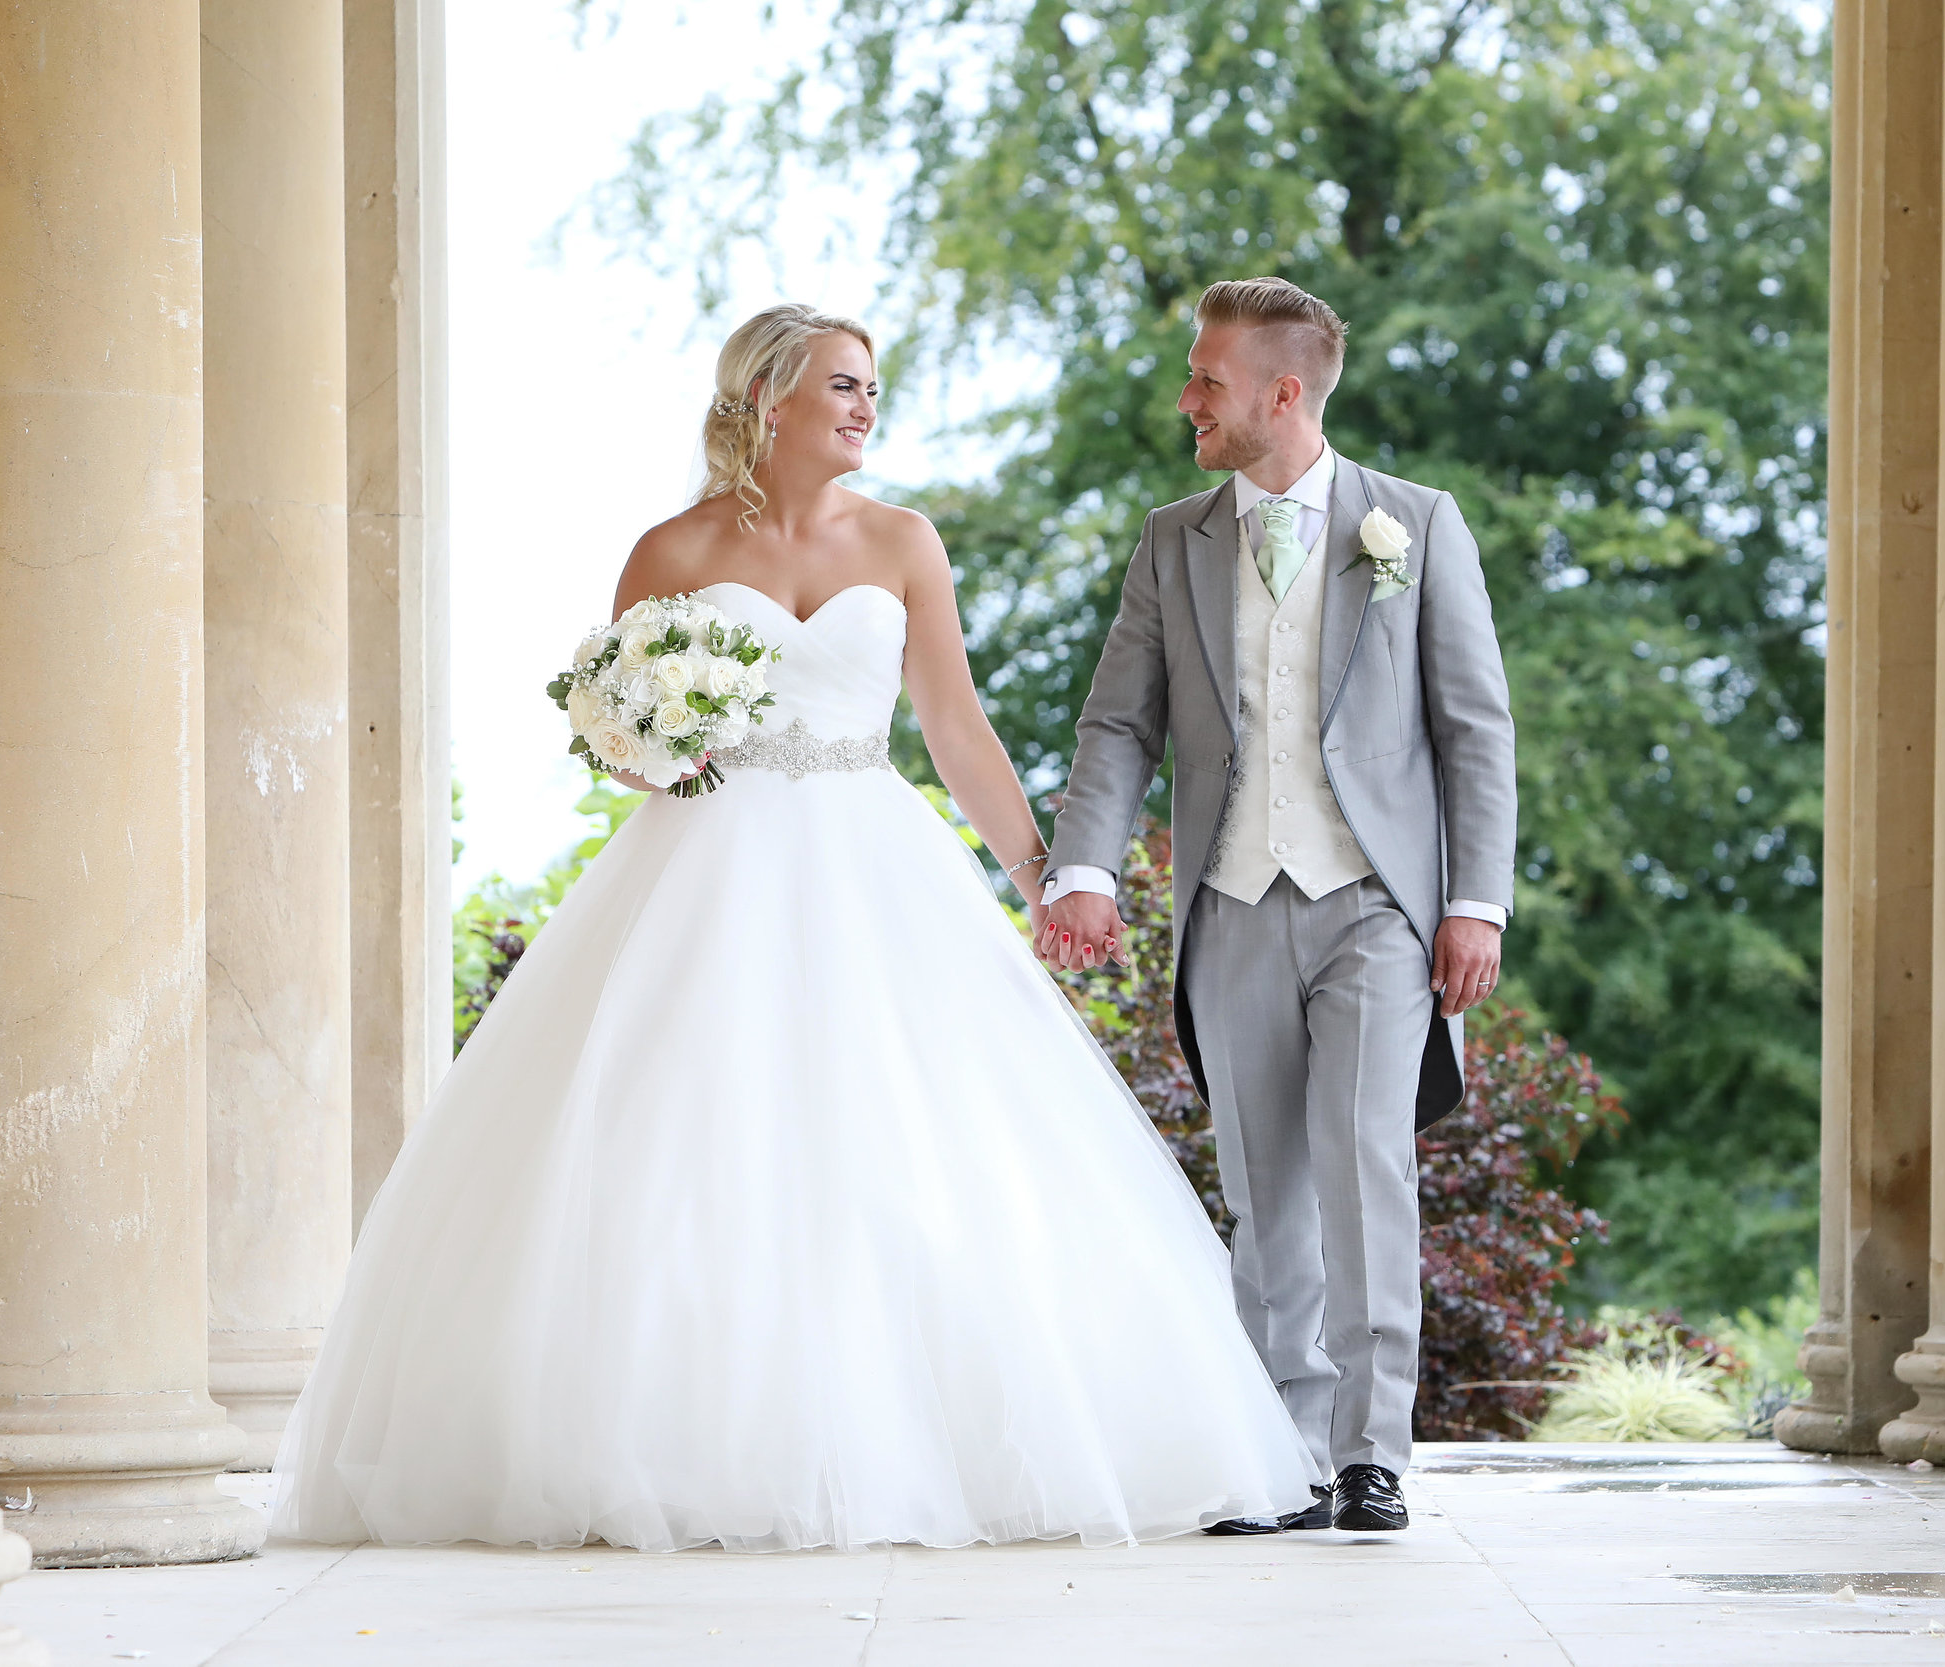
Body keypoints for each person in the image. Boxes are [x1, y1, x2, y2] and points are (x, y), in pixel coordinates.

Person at [270, 303, 1317, 1553]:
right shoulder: (669, 548)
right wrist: (655, 742)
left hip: (875, 854)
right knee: (688, 1144)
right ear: (766, 400)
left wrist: (1041, 867)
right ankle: (669, 1440)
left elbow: (954, 728)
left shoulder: (904, 540)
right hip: (707, 868)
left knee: (909, 1139)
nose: (866, 406)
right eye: (841, 385)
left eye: (871, 387)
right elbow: (619, 741)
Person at [1040, 277, 1517, 1535]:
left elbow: (1474, 727)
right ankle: (1284, 1449)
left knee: (1364, 1165)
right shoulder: (1171, 538)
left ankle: (1371, 1453)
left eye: (1205, 378)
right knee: (1262, 1188)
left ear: (1281, 391)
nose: (1187, 398)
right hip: (1232, 897)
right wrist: (1082, 867)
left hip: (1376, 904)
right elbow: (1118, 721)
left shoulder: (1415, 524)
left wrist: (1477, 899)